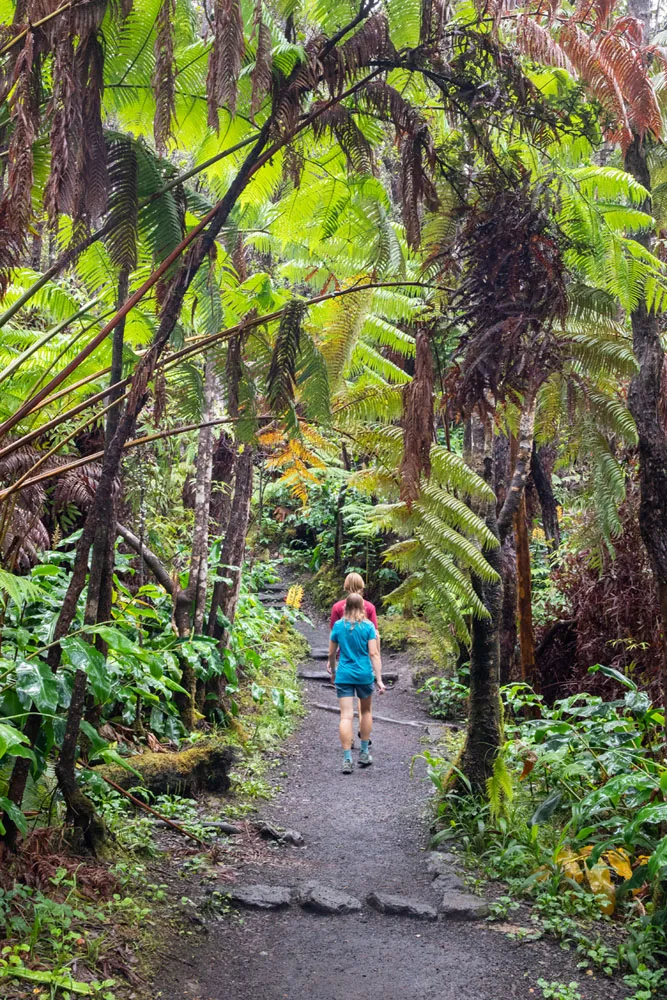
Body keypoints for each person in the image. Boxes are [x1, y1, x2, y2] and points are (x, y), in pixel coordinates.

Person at [328, 593, 385, 774]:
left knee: (345, 716)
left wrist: (334, 672)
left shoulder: (338, 626)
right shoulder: (368, 627)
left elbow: (331, 653)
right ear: (362, 607)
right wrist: (379, 679)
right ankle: (364, 752)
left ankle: (346, 759)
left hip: (344, 675)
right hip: (363, 675)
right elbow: (374, 654)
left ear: (345, 607)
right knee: (366, 711)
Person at [329, 572, 380, 746]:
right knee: (365, 706)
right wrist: (377, 661)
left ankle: (348, 741)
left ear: (345, 586)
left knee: (346, 711)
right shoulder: (369, 607)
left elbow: (335, 636)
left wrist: (332, 662)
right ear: (362, 586)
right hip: (364, 660)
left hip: (344, 660)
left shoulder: (337, 607)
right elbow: (375, 634)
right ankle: (363, 734)